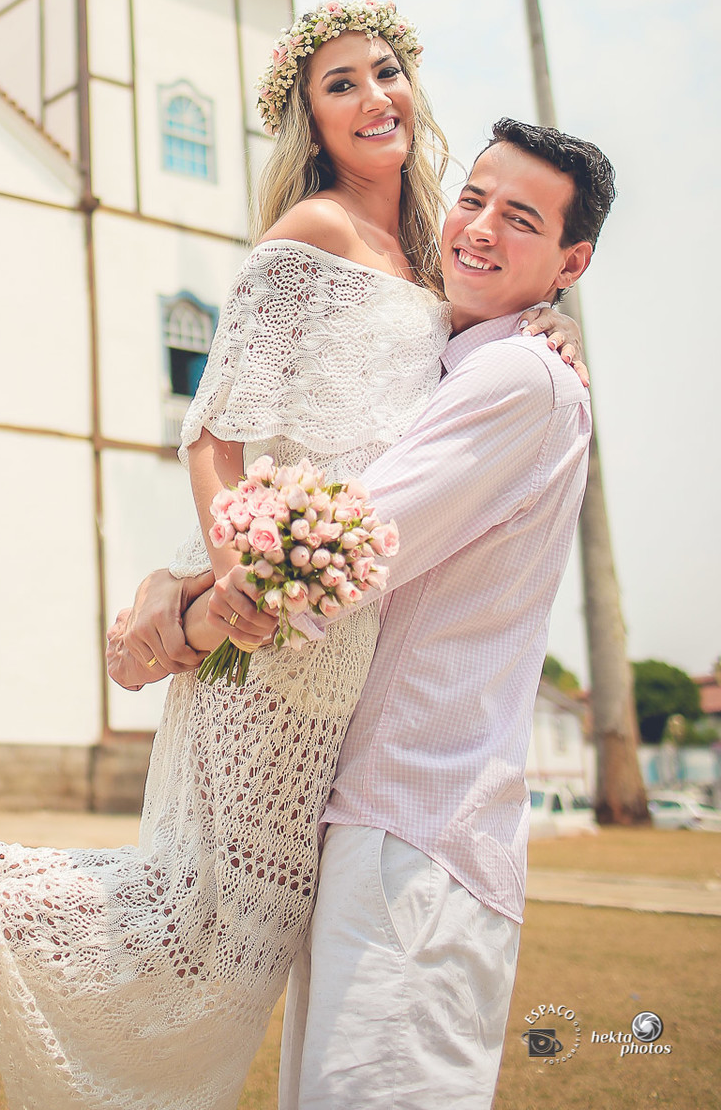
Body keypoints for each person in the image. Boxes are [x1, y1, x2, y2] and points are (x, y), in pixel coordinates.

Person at [0, 1, 584, 1110]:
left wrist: (542, 325)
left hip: (342, 626)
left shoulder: (436, 266)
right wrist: (226, 576)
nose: (374, 96)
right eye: (340, 85)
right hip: (280, 603)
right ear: (311, 121)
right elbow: (212, 426)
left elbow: (456, 384)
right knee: (219, 929)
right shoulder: (312, 235)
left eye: (386, 72)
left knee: (232, 929)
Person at [133, 115, 612, 1110]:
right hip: (380, 822)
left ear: (573, 259)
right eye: (472, 199)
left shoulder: (518, 378)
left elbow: (343, 549)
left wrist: (178, 615)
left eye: (519, 219)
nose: (477, 228)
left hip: (419, 837)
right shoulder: (467, 356)